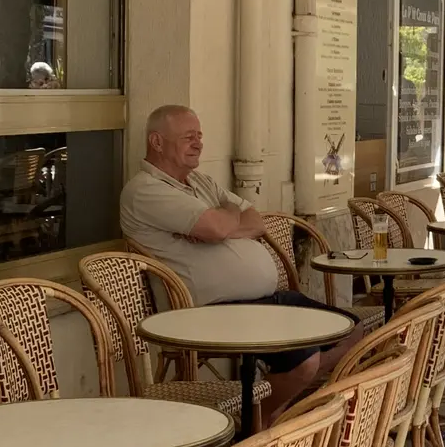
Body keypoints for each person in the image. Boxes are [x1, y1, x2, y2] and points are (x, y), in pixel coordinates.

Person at [120, 105, 360, 406]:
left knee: (352, 329)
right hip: (206, 311)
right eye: (188, 137)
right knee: (306, 361)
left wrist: (222, 225)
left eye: (200, 136)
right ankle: (263, 424)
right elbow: (220, 225)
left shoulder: (200, 182)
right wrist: (222, 222)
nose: (198, 143)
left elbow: (253, 221)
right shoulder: (145, 190)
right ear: (157, 142)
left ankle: (272, 410)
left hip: (256, 302)